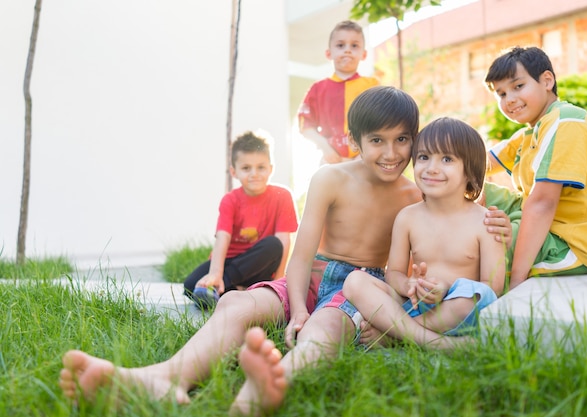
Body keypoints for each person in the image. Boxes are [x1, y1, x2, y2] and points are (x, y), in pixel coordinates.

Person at [58, 87, 512, 416]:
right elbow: (301, 253)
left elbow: (464, 200)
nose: (391, 153)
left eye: (402, 140)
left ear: (415, 140)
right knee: (237, 301)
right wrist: (295, 308)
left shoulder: (416, 196)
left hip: (361, 287)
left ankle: (272, 385)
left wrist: (495, 222)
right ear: (354, 140)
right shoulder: (330, 179)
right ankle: (165, 377)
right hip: (313, 276)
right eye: (377, 140)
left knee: (325, 327)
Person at [343, 117, 506, 348]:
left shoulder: (485, 221)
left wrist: (446, 288)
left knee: (474, 296)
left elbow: (493, 286)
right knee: (355, 281)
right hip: (415, 303)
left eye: (447, 159)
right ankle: (432, 342)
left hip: (458, 310)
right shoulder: (408, 217)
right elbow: (394, 274)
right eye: (424, 157)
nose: (432, 168)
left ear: (470, 171)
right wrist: (411, 286)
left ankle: (395, 334)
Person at [482, 46, 587, 290]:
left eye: (518, 86)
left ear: (546, 81)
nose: (509, 99)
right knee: (456, 185)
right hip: (545, 228)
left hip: (569, 245)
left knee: (479, 242)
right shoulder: (531, 131)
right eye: (501, 94)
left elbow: (543, 203)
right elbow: (474, 164)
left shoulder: (567, 121)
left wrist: (517, 284)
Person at [183, 130, 298, 309]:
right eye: (246, 168)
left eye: (261, 167)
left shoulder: (282, 196)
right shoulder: (230, 200)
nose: (254, 174)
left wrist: (279, 281)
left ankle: (222, 287)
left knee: (273, 245)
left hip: (260, 264)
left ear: (271, 168)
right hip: (231, 260)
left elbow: (284, 240)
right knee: (190, 285)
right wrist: (215, 272)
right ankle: (237, 289)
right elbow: (223, 237)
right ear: (234, 171)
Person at [297, 20, 379, 164]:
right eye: (340, 45)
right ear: (328, 53)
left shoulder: (372, 86)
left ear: (364, 54)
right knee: (322, 182)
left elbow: (382, 123)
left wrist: (365, 153)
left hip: (364, 158)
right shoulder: (318, 89)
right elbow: (306, 126)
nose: (347, 50)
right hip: (331, 158)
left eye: (354, 45)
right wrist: (325, 148)